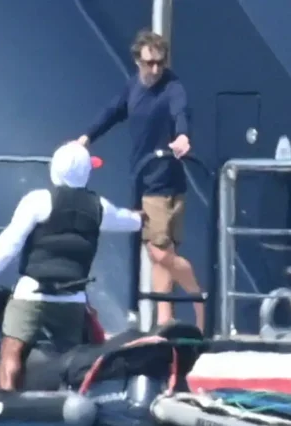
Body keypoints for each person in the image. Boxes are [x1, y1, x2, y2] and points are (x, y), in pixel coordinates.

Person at [0, 142, 143, 391]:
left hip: (31, 294)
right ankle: (68, 403)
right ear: (86, 172)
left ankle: (6, 403)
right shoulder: (100, 207)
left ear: (54, 170)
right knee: (72, 359)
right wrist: (142, 217)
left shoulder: (37, 201)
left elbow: (10, 242)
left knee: (11, 350)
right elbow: (131, 221)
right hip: (72, 298)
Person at [74, 29, 204, 331]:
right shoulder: (133, 87)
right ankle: (165, 320)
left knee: (158, 251)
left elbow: (181, 113)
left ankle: (198, 298)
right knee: (161, 254)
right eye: (149, 63)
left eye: (160, 63)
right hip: (145, 179)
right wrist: (86, 137)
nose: (155, 69)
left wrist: (183, 136)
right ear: (137, 61)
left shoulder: (173, 87)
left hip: (165, 182)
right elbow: (112, 112)